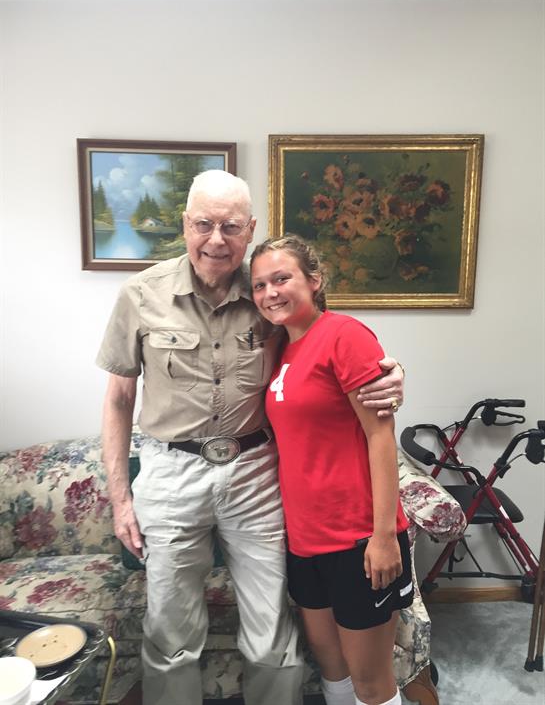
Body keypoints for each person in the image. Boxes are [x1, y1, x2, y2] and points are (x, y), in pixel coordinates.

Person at [96, 170, 405, 705]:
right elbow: (119, 400)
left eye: (231, 226)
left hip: (254, 471)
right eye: (204, 224)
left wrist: (391, 374)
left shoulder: (267, 292)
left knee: (271, 632)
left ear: (250, 228)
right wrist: (120, 497)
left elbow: (330, 348)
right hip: (171, 473)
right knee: (170, 633)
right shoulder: (140, 294)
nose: (216, 240)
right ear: (185, 224)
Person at [250, 234, 413, 705]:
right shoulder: (280, 348)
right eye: (259, 285)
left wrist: (383, 537)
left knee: (371, 681)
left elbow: (381, 437)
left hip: (358, 539)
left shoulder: (344, 335)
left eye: (281, 278)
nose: (270, 292)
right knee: (332, 668)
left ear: (314, 281)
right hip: (305, 542)